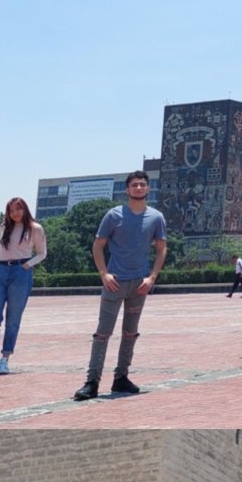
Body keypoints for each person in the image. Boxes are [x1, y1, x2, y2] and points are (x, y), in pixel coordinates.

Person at [73, 171, 167, 401]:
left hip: (139, 284)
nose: (138, 188)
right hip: (115, 282)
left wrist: (152, 277)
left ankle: (121, 377)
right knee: (102, 333)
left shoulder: (156, 217)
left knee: (130, 333)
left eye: (142, 184)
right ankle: (92, 381)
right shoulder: (113, 216)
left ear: (148, 189)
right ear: (127, 190)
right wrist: (103, 274)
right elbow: (97, 246)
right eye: (134, 185)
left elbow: (162, 248)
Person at [0, 196, 47, 376]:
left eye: (18, 209)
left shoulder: (34, 228)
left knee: (13, 320)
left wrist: (26, 265)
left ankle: (5, 358)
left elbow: (42, 253)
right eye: (12, 210)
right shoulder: (5, 226)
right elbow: (0, 244)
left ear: (25, 209)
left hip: (20, 273)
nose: (15, 213)